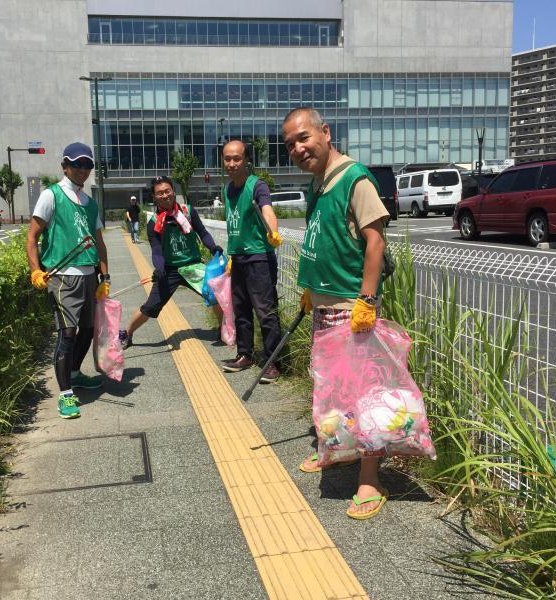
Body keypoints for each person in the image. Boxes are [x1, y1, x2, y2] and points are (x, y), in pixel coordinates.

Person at [282, 107, 389, 520]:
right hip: (324, 305)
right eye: (290, 143)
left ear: (326, 133)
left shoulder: (354, 178)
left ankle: (369, 479)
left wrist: (366, 300)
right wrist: (311, 290)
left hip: (351, 308)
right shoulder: (318, 184)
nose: (297, 147)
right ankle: (334, 449)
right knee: (328, 389)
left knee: (363, 395)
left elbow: (375, 240)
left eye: (304, 137)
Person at [26, 142, 110, 420]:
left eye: (88, 165)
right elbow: (32, 237)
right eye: (77, 164)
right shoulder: (51, 195)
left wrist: (104, 276)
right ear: (65, 166)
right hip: (62, 277)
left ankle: (74, 374)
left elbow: (98, 242)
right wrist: (36, 270)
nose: (83, 169)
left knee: (87, 330)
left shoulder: (89, 202)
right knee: (68, 334)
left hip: (89, 276)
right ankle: (65, 395)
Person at [119, 176, 224, 349]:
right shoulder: (154, 223)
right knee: (150, 307)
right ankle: (127, 334)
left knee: (216, 293)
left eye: (167, 191)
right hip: (169, 270)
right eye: (159, 193)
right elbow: (157, 250)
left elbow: (202, 232)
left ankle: (223, 329)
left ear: (173, 192)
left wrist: (212, 247)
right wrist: (159, 268)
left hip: (193, 265)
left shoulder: (188, 211)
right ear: (154, 197)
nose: (164, 195)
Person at [219, 139, 283, 384]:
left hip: (259, 257)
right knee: (241, 310)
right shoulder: (227, 189)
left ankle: (272, 362)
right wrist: (232, 256)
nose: (232, 163)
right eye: (228, 159)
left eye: (237, 158)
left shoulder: (257, 185)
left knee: (265, 312)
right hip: (238, 258)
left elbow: (267, 210)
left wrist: (272, 231)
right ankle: (244, 354)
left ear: (246, 160)